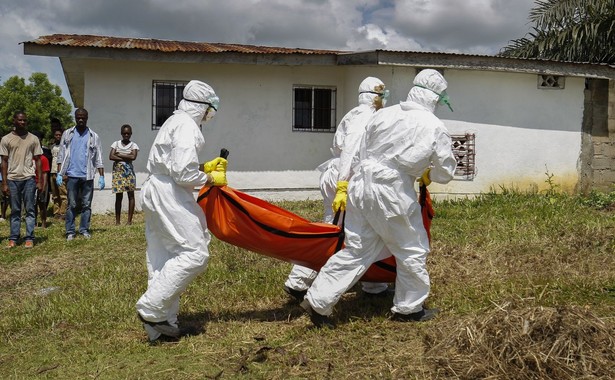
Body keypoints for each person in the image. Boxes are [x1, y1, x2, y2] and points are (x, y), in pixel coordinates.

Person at [300, 69, 457, 328]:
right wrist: (429, 173)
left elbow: (360, 152)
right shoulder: (433, 125)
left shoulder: (384, 114)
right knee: (411, 249)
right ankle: (409, 308)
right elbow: (445, 171)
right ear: (435, 97)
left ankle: (318, 301)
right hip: (392, 190)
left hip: (361, 185)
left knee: (356, 249)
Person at [284, 77, 392, 301]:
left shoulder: (352, 113)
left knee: (336, 228)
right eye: (382, 94)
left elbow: (336, 146)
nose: (384, 98)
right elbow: (350, 149)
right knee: (350, 232)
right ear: (375, 95)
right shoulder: (367, 115)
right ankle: (301, 282)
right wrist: (344, 183)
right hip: (348, 177)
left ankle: (374, 285)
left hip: (339, 174)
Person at [135, 80, 227, 342]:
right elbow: (183, 172)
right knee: (194, 253)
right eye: (211, 107)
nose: (211, 113)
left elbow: (175, 163)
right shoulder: (187, 125)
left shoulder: (176, 121)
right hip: (169, 192)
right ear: (201, 106)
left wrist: (205, 166)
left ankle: (161, 327)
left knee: (162, 257)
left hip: (156, 186)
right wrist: (209, 179)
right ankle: (151, 308)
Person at [56, 108, 105, 241]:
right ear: (75, 118)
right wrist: (59, 173)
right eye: (78, 117)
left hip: (87, 176)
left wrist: (101, 176)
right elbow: (61, 155)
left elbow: (99, 157)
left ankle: (84, 229)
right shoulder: (68, 134)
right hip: (72, 175)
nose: (81, 119)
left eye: (83, 117)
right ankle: (70, 231)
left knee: (86, 205)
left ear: (87, 118)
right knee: (71, 204)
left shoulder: (93, 136)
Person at [0, 111, 43, 248]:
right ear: (14, 121)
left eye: (24, 120)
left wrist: (40, 180)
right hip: (12, 179)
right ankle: (13, 237)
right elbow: (4, 162)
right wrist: (5, 182)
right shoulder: (6, 139)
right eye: (20, 120)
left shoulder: (33, 139)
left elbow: (39, 160)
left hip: (29, 178)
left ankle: (29, 237)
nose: (22, 122)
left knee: (30, 209)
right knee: (15, 210)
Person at [109, 124, 139, 225]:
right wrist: (127, 156)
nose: (126, 135)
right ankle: (117, 221)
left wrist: (119, 154)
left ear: (131, 134)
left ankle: (129, 221)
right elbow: (111, 156)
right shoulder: (116, 143)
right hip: (118, 171)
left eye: (128, 133)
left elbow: (133, 157)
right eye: (124, 133)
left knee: (131, 194)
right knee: (119, 195)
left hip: (129, 172)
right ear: (121, 133)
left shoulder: (134, 145)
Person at [31, 130, 51, 228]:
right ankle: (34, 222)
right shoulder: (30, 158)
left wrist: (44, 186)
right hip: (31, 184)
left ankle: (43, 223)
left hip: (41, 184)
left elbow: (45, 174)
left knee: (42, 204)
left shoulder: (43, 159)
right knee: (33, 205)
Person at [49, 119, 67, 219]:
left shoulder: (65, 146)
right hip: (53, 172)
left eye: (60, 135)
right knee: (55, 194)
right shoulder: (52, 145)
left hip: (61, 172)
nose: (58, 137)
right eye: (56, 135)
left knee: (63, 194)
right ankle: (56, 212)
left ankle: (63, 212)